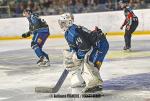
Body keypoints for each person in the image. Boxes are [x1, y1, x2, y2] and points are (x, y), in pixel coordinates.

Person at [58, 13, 109, 93]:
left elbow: (85, 48)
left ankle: (94, 85)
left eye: (63, 22)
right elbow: (74, 47)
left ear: (69, 22)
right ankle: (92, 81)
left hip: (100, 44)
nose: (61, 25)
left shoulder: (73, 32)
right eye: (61, 22)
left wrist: (77, 57)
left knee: (88, 62)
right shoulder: (68, 33)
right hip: (95, 45)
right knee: (88, 63)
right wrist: (71, 56)